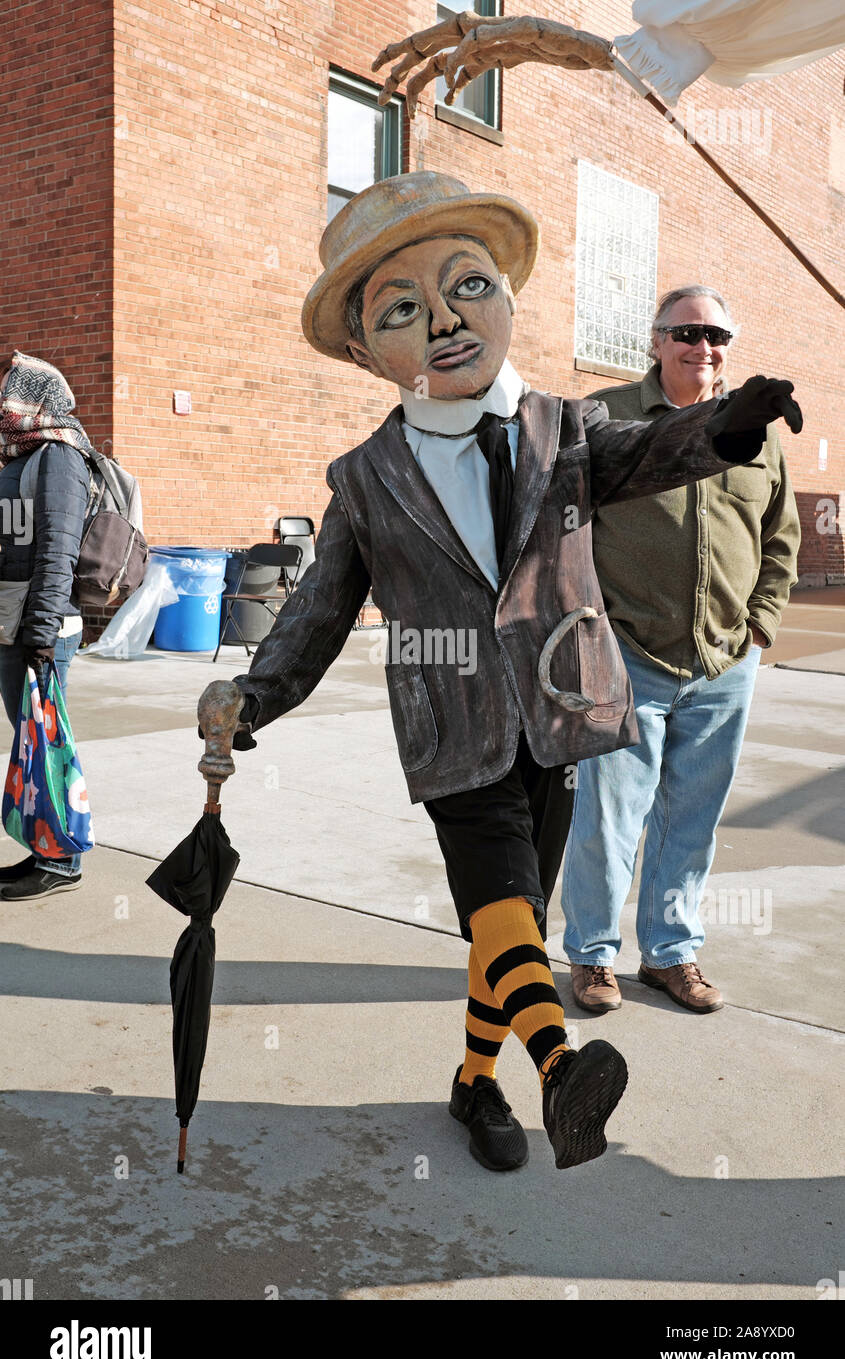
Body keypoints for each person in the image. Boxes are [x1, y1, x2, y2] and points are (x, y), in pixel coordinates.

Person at [198, 174, 801, 1173]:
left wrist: (728, 423)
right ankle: (559, 1072)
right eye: (401, 308)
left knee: (506, 924)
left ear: (507, 301)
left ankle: (474, 1083)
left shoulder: (562, 431)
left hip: (560, 715)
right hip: (452, 724)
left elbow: (648, 449)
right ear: (362, 350)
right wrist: (253, 696)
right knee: (503, 906)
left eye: (466, 284)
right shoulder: (362, 477)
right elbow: (318, 606)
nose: (442, 319)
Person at [561, 287, 801, 1013]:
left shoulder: (760, 433)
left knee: (690, 819)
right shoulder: (605, 418)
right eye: (688, 332)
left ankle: (669, 955)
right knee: (608, 816)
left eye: (717, 335)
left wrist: (758, 624)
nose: (705, 347)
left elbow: (779, 540)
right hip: (626, 652)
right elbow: (562, 526)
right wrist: (585, 625)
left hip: (724, 660)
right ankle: (593, 957)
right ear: (656, 341)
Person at [0, 350, 92, 899]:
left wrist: (39, 631)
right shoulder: (19, 456)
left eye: (12, 389)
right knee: (30, 741)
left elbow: (58, 551)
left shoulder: (60, 456)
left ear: (37, 398)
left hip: (39, 629)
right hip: (15, 625)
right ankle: (45, 849)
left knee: (44, 740)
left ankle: (59, 862)